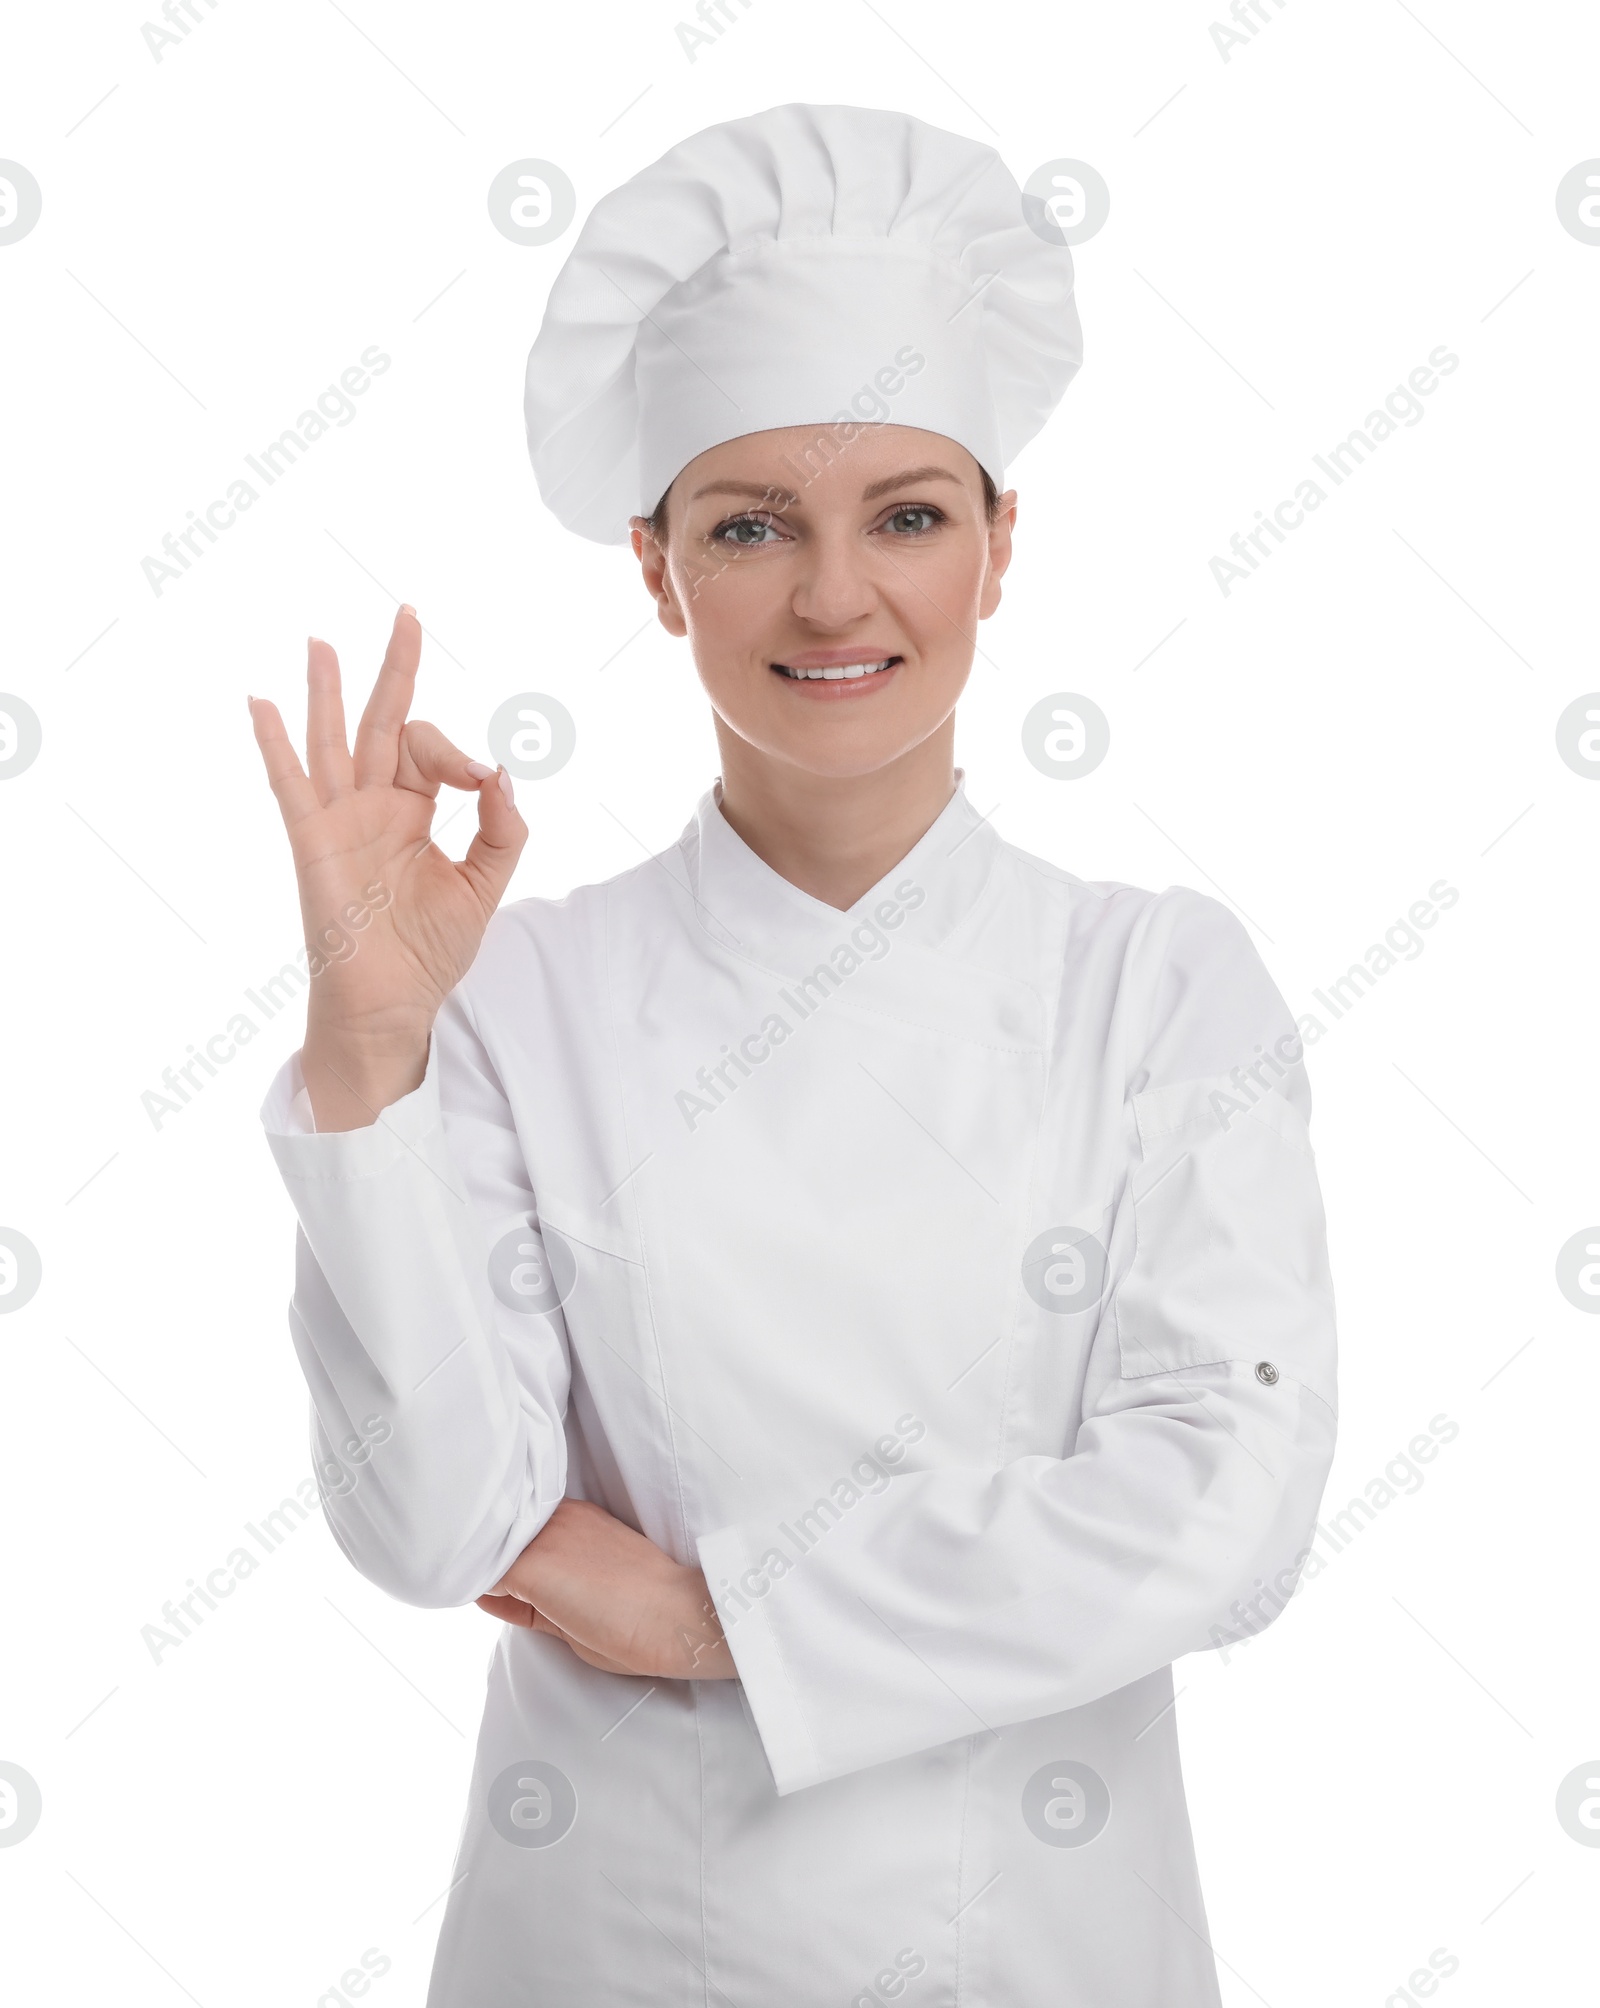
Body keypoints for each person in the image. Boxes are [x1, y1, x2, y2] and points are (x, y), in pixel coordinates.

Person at [250, 102, 1337, 2007]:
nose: (836, 597)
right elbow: (438, 1529)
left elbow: (1228, 1515)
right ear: (658, 571)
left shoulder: (1160, 988)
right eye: (751, 527)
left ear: (1001, 548)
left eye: (908, 515)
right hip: (607, 1951)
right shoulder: (521, 1002)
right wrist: (371, 1050)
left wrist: (713, 1619)